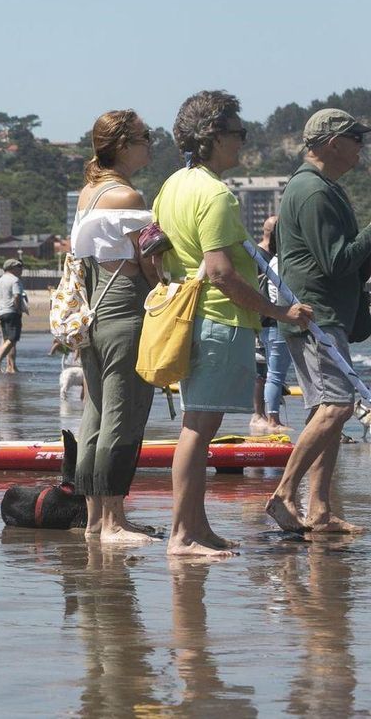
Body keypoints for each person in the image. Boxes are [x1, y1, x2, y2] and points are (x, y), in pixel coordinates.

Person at [153, 90, 311, 558]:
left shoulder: (171, 186)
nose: (243, 142)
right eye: (238, 133)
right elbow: (221, 271)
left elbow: (159, 254)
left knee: (197, 424)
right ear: (213, 136)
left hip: (188, 317)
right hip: (217, 320)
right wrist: (279, 312)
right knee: (199, 429)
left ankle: (195, 528)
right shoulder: (215, 193)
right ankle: (184, 534)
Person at [267, 108, 371, 535]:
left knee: (326, 410)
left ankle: (320, 508)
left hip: (322, 315)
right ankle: (283, 494)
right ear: (333, 144)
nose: (362, 145)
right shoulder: (312, 191)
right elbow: (335, 261)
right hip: (316, 316)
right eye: (356, 138)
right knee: (337, 406)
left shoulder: (324, 188)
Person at [70, 109, 158, 545]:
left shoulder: (89, 191)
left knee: (97, 416)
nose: (151, 144)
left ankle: (94, 520)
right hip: (126, 311)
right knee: (125, 416)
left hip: (94, 314)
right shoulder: (127, 197)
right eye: (145, 137)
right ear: (123, 144)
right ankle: (114, 522)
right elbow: (149, 262)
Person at [252, 216, 295, 435]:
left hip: (272, 321)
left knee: (272, 373)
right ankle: (271, 418)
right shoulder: (279, 262)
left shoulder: (274, 260)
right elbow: (279, 294)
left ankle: (270, 416)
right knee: (272, 373)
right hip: (277, 322)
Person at [0, 259, 28, 373]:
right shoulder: (15, 280)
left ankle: (10, 366)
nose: (21, 269)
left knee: (6, 340)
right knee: (11, 340)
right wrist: (18, 310)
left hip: (2, 313)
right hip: (12, 312)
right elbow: (17, 296)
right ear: (11, 268)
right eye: (19, 267)